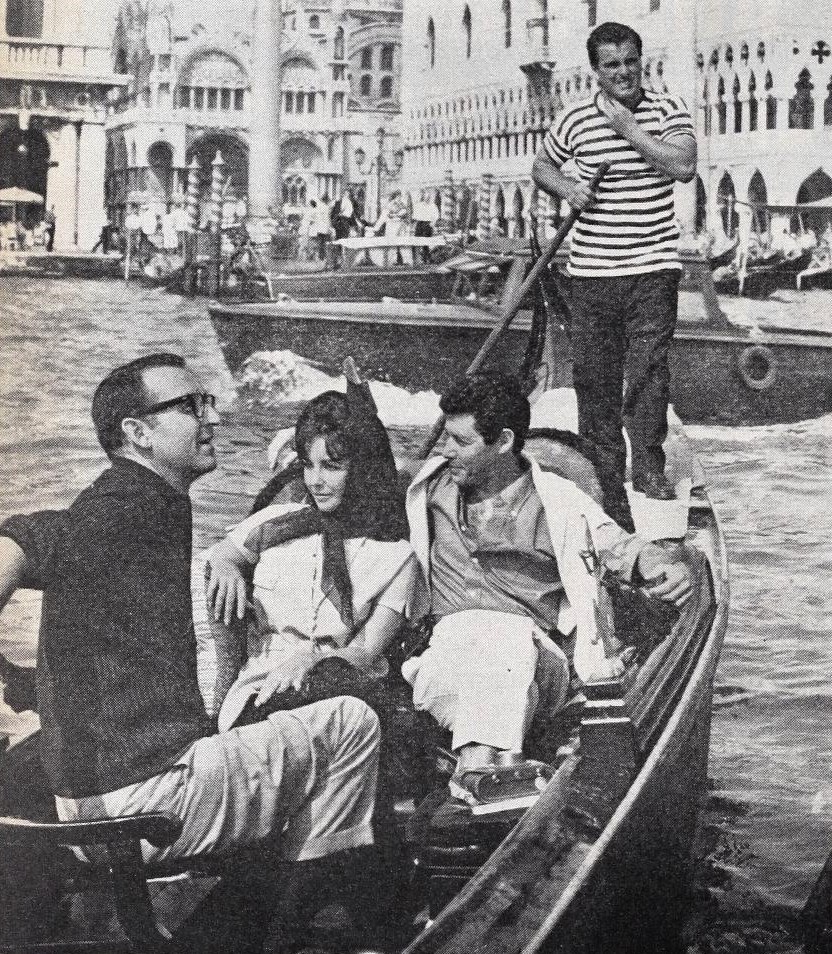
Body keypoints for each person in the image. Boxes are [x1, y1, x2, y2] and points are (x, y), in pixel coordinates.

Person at [0, 353, 382, 953]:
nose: (212, 419)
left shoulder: (125, 500)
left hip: (88, 803)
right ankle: (295, 932)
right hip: (145, 806)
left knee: (250, 739)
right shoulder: (136, 504)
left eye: (206, 403)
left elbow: (39, 535)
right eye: (188, 406)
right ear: (138, 433)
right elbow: (46, 537)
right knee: (353, 724)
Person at [402, 372, 693, 802]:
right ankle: (488, 779)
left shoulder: (556, 500)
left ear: (503, 442)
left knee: (503, 638)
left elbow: (616, 544)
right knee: (477, 640)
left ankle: (477, 773)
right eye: (445, 437)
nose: (445, 451)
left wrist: (664, 563)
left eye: (460, 442)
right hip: (443, 663)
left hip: (535, 663)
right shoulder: (430, 489)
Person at [532, 22, 697, 514]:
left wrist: (627, 129)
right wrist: (569, 189)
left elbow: (683, 164)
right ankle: (604, 476)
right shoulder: (575, 120)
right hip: (591, 273)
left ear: (641, 61)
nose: (623, 72)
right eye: (612, 65)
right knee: (595, 378)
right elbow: (541, 167)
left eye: (630, 62)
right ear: (596, 71)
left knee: (648, 373)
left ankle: (647, 470)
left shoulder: (668, 110)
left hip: (652, 268)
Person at [205, 387, 419, 734]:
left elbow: (367, 652)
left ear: (363, 470)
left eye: (332, 467)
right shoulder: (276, 524)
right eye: (308, 465)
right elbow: (224, 553)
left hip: (340, 690)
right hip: (260, 690)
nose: (315, 481)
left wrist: (314, 660)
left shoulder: (396, 558)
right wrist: (225, 565)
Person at [311, 193, 331, 262]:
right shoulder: (326, 207)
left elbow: (316, 217)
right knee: (324, 242)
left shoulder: (318, 207)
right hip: (324, 227)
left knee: (320, 242)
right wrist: (329, 227)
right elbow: (327, 218)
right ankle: (323, 256)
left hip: (319, 227)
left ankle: (320, 256)